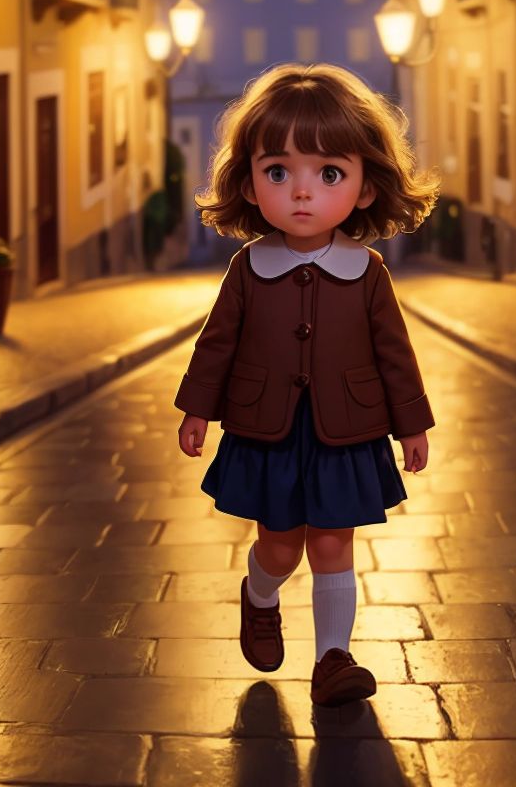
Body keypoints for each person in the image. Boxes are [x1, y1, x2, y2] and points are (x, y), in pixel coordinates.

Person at [174, 63, 439, 707]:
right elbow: (217, 345)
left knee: (331, 543)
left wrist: (411, 422)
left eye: (328, 174)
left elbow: (394, 352)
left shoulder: (366, 271)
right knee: (281, 545)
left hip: (344, 428)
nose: (301, 193)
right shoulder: (249, 267)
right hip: (268, 428)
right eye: (277, 172)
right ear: (249, 181)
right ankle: (259, 594)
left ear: (365, 188)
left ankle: (333, 660)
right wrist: (196, 412)